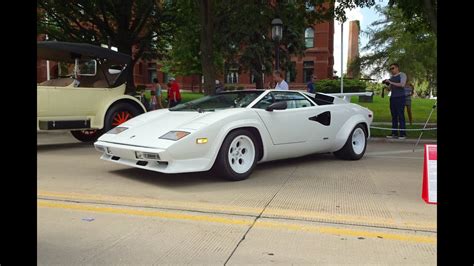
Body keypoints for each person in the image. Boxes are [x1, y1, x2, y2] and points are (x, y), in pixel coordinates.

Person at [383, 63, 407, 139]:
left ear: (397, 68)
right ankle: (394, 133)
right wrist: (387, 86)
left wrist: (391, 82)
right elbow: (390, 88)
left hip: (400, 98)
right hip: (393, 98)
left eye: (392, 68)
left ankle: (403, 134)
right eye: (390, 69)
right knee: (394, 116)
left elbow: (402, 84)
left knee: (401, 115)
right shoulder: (391, 77)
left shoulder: (402, 75)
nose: (391, 70)